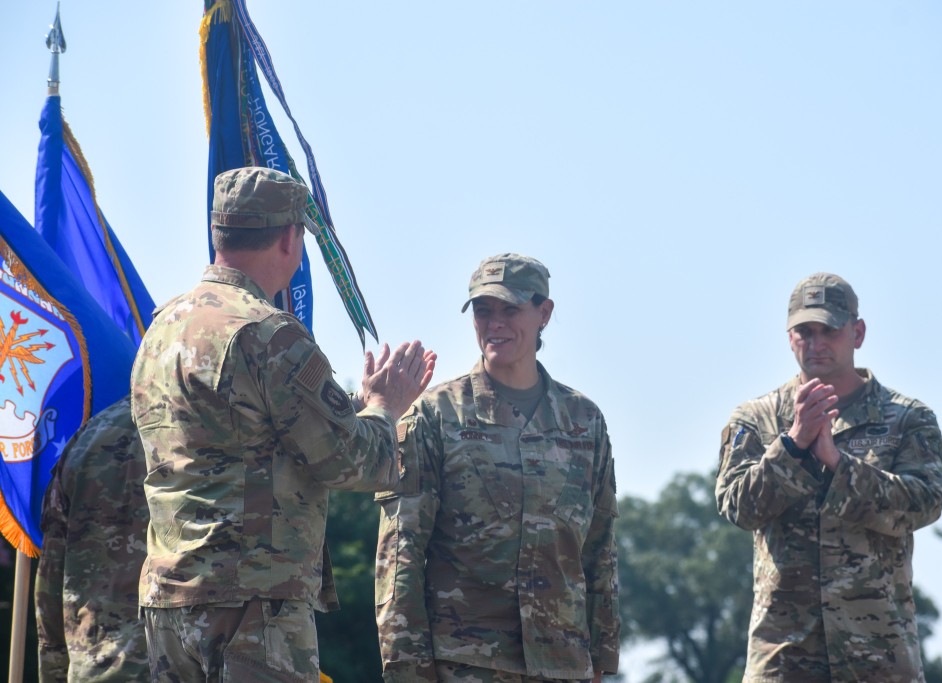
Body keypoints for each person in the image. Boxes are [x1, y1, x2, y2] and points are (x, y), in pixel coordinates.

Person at [131, 166, 435, 683]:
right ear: (291, 239)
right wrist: (385, 406)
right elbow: (353, 461)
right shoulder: (268, 333)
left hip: (168, 602)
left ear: (218, 233)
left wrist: (355, 405)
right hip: (250, 605)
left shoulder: (163, 325)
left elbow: (244, 436)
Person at [375, 253, 619, 683]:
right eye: (484, 310)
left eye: (511, 309)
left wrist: (601, 659)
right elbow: (400, 555)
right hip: (466, 663)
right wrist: (406, 668)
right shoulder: (434, 416)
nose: (495, 323)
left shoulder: (585, 422)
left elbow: (599, 551)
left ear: (544, 313)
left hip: (563, 664)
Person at [715, 272, 942, 683]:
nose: (817, 342)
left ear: (857, 333)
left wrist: (841, 467)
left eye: (830, 330)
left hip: (878, 655)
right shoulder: (756, 419)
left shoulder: (908, 418)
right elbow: (738, 506)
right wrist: (792, 445)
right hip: (784, 656)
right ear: (789, 337)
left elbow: (924, 503)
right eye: (805, 330)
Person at [35, 395, 149, 682]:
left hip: (96, 666)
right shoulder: (228, 425)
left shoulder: (90, 435)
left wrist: (54, 672)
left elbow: (51, 576)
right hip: (193, 664)